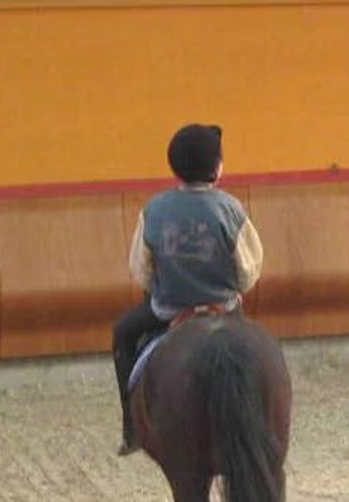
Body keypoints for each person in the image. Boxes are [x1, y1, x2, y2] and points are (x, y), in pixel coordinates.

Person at [112, 123, 264, 455]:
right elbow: (248, 269)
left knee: (123, 334)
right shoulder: (231, 209)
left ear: (174, 166)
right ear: (218, 167)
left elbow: (140, 269)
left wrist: (166, 285)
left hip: (168, 309)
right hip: (223, 307)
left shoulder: (153, 210)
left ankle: (131, 427)